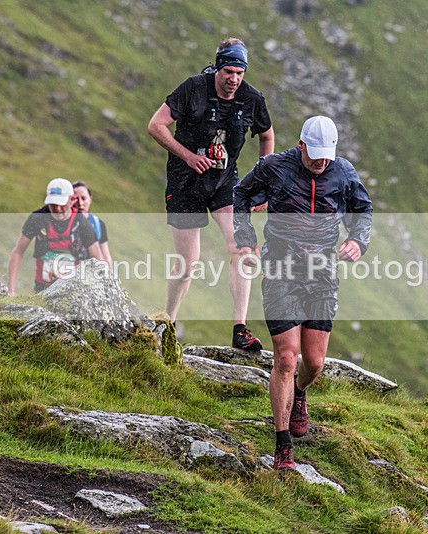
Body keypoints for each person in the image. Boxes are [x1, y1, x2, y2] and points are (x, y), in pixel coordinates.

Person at [233, 116, 373, 470]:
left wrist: (358, 240)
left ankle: (299, 393)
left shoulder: (342, 173)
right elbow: (240, 195)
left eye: (326, 157)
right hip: (281, 268)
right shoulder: (274, 167)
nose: (320, 163)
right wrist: (247, 243)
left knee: (314, 363)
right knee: (286, 357)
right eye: (314, 157)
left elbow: (363, 211)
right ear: (300, 146)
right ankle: (283, 449)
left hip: (323, 273)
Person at [147, 37, 275, 351]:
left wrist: (261, 181)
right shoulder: (192, 88)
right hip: (185, 184)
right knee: (188, 263)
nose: (234, 79)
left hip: (225, 183)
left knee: (242, 250)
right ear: (218, 67)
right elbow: (156, 125)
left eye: (240, 73)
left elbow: (267, 136)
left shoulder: (251, 99)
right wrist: (187, 156)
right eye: (229, 71)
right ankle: (169, 323)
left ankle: (240, 329)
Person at [7, 178, 103, 296]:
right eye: (53, 204)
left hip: (73, 293)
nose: (57, 209)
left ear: (72, 200)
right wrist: (11, 291)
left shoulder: (81, 222)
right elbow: (18, 252)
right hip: (41, 291)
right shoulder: (37, 218)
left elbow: (98, 258)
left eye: (61, 204)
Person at [72, 180, 113, 267]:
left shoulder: (98, 224)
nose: (80, 203)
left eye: (84, 198)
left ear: (90, 199)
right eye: (76, 199)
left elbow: (106, 257)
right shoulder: (63, 223)